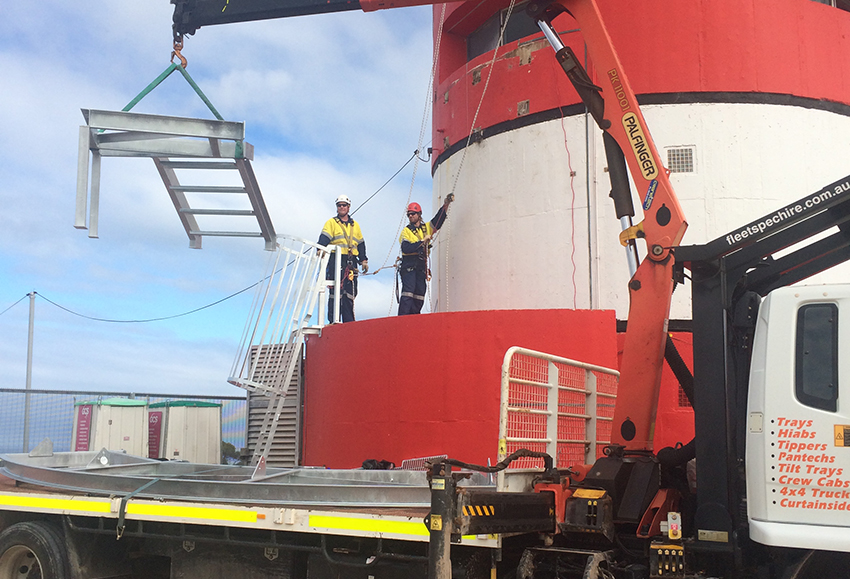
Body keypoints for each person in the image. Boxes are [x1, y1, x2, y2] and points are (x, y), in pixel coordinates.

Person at [398, 194, 454, 315]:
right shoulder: (406, 231)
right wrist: (422, 242)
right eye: (409, 214)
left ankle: (414, 319)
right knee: (408, 293)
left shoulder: (426, 228)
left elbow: (437, 221)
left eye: (413, 213)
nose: (410, 216)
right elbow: (406, 248)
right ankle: (402, 320)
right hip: (409, 265)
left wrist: (446, 205)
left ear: (419, 214)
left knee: (419, 295)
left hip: (420, 266)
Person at [318, 195, 368, 323]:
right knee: (336, 292)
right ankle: (333, 320)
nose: (342, 207)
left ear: (348, 207)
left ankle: (349, 322)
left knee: (350, 293)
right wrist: (320, 249)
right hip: (336, 260)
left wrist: (364, 260)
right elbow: (324, 238)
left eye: (344, 205)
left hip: (351, 262)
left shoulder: (355, 225)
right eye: (339, 205)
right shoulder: (332, 223)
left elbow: (361, 243)